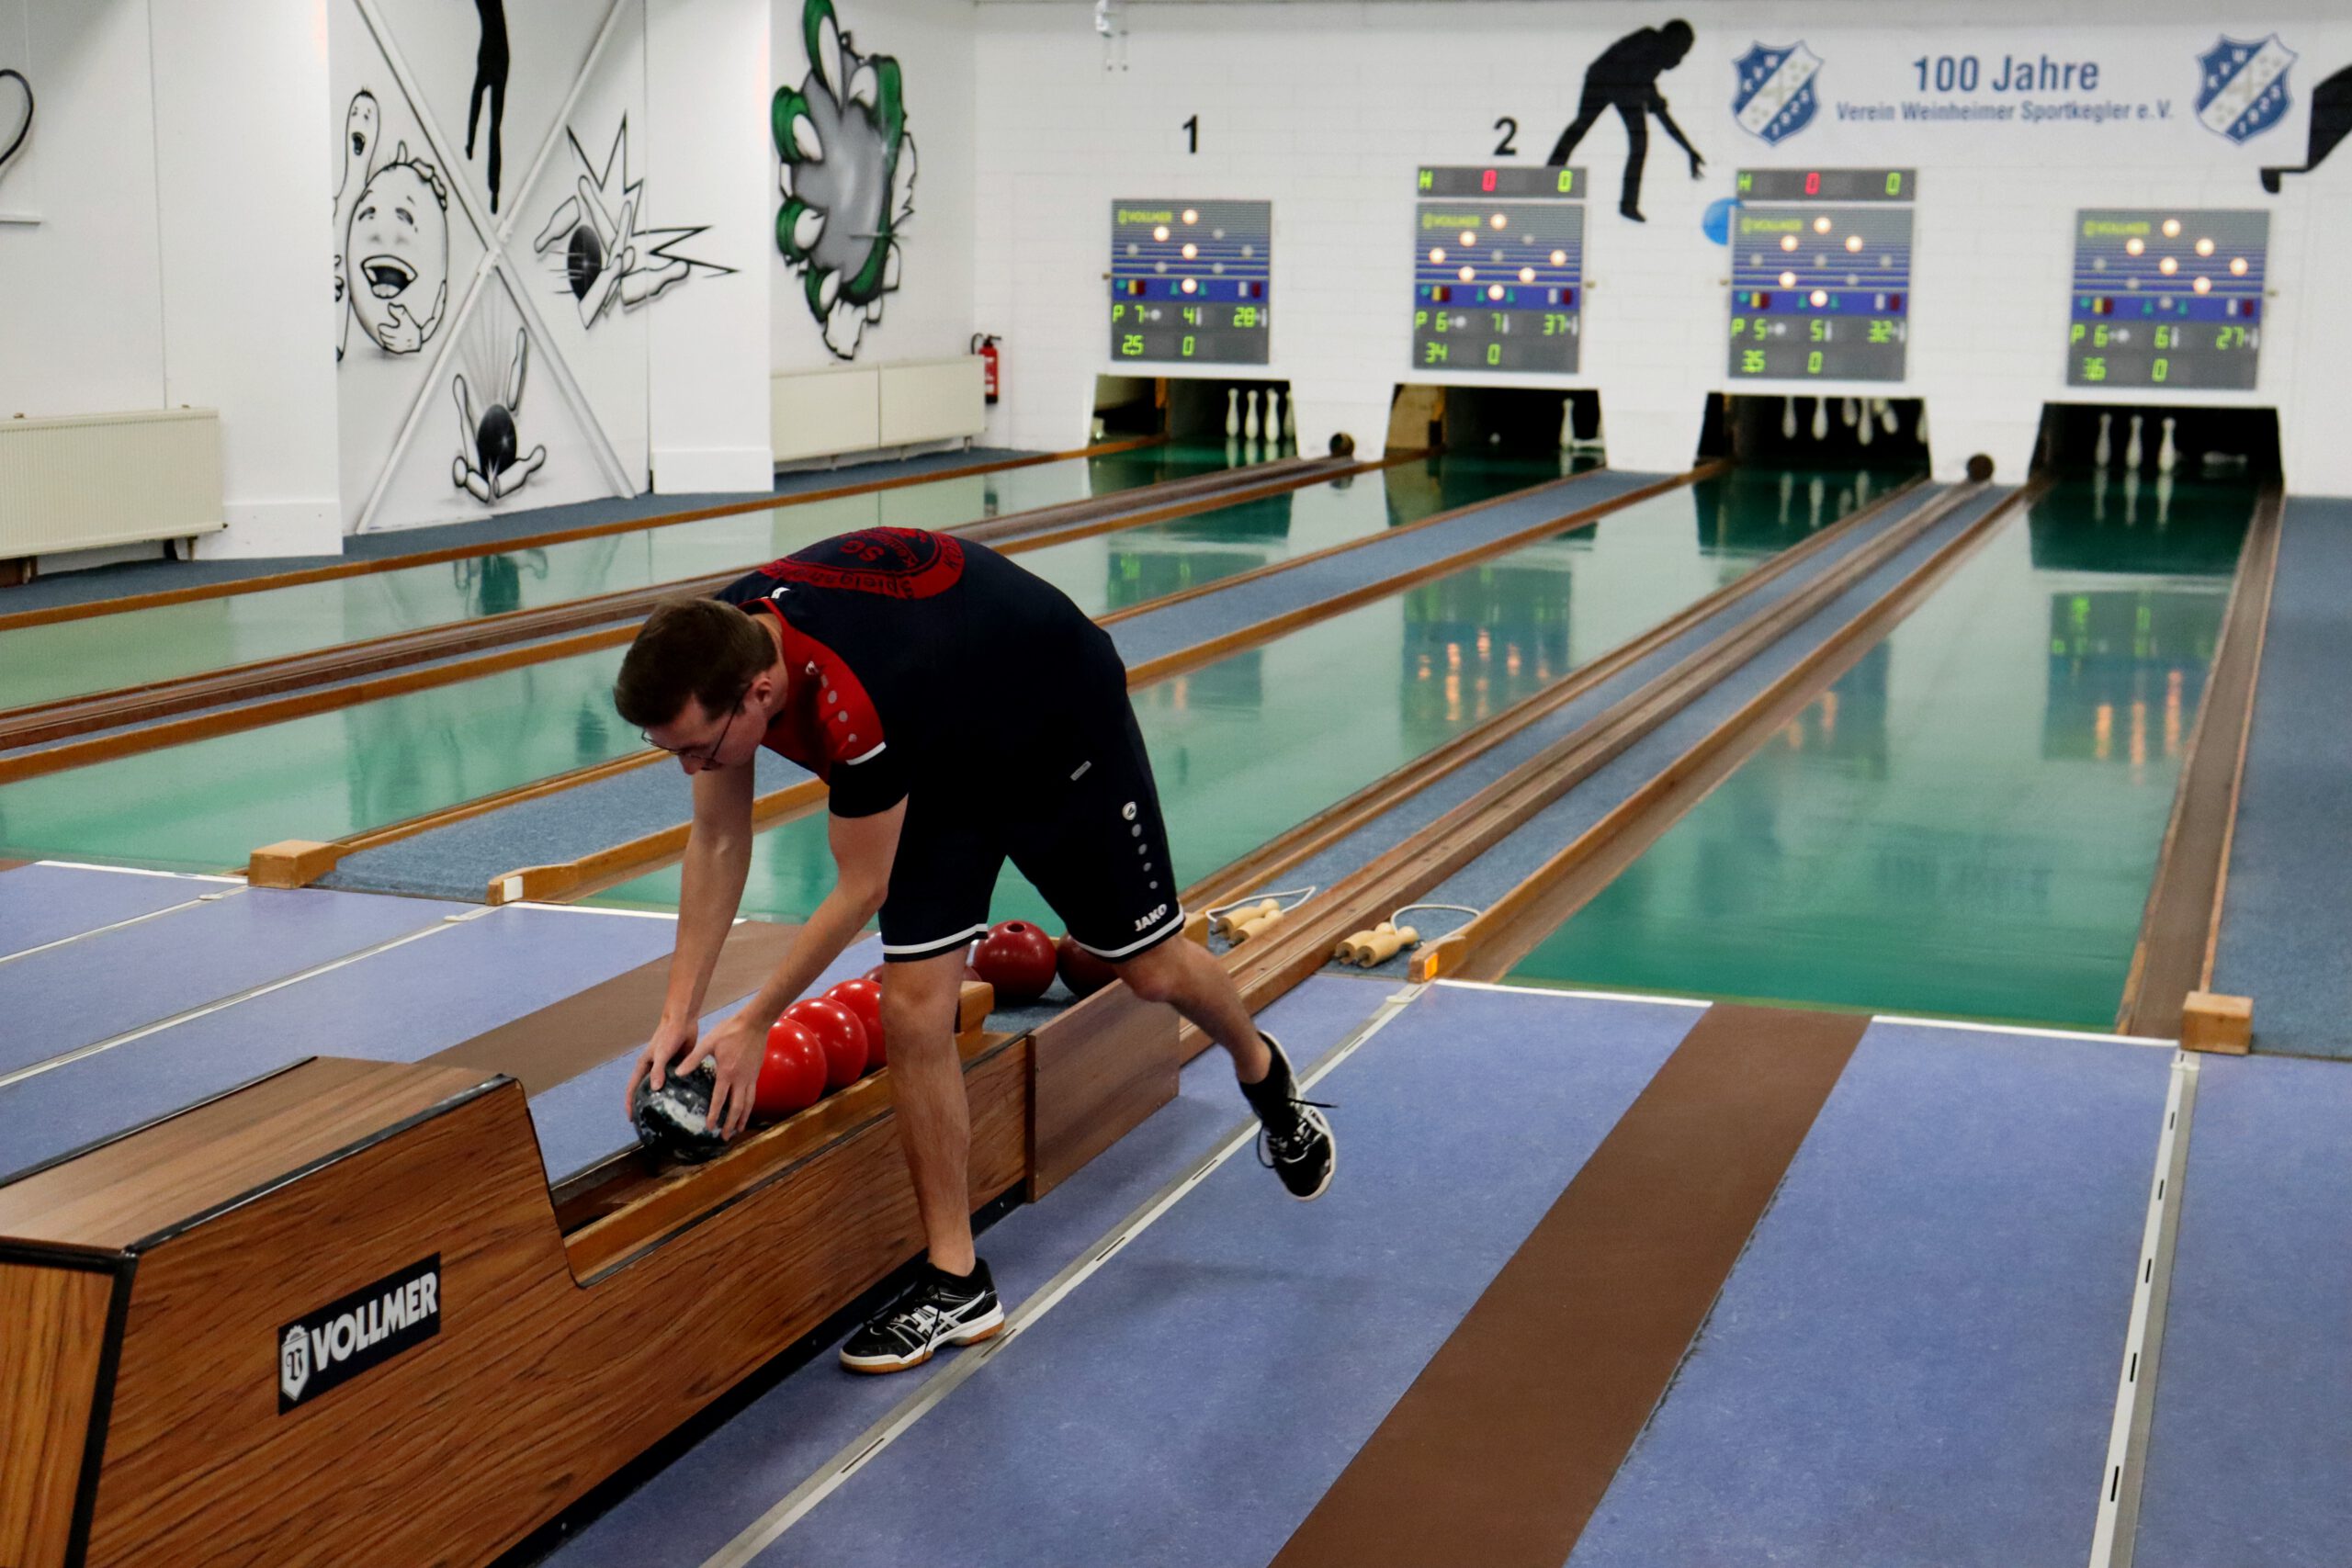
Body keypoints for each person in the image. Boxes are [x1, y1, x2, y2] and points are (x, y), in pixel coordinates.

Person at [613, 526, 1336, 1374]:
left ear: (760, 691)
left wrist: (757, 1020)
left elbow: (860, 888)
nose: (690, 766)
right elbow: (717, 839)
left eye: (696, 748)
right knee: (912, 1009)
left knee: (1149, 968)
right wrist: (679, 1014)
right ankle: (957, 1282)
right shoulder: (718, 643)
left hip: (1056, 726)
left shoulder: (856, 695)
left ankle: (1264, 1073)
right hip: (938, 750)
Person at [1546, 19, 1704, 221]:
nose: (1679, 59)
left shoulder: (1650, 72)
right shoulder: (1648, 41)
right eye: (1681, 51)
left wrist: (1689, 151)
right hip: (1603, 80)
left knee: (1637, 145)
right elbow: (1622, 68)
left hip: (1624, 87)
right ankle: (1551, 177)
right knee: (1581, 127)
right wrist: (1639, 92)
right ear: (1671, 42)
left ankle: (1628, 205)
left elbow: (1665, 119)